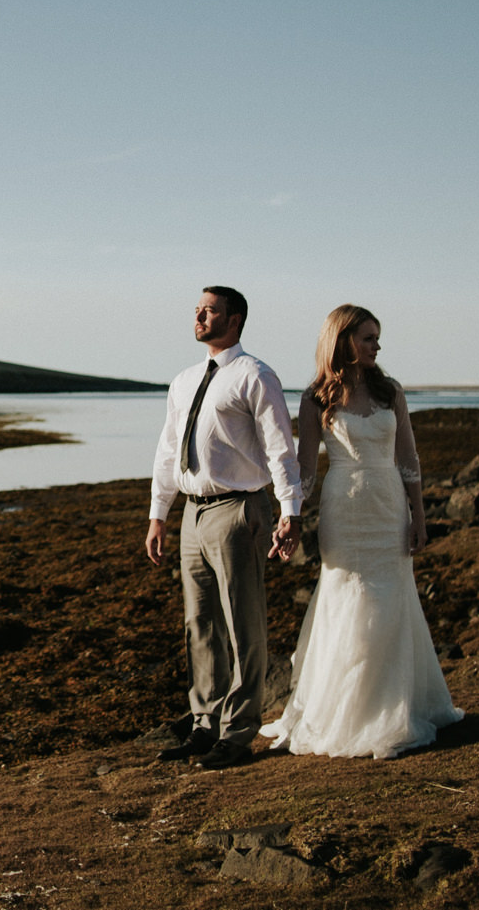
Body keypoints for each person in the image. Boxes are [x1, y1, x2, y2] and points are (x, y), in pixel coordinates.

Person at [259, 304, 463, 759]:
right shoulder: (316, 398)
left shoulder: (390, 392)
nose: (376, 346)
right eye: (368, 338)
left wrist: (419, 516)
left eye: (377, 338)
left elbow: (408, 459)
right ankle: (345, 711)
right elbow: (306, 469)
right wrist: (288, 517)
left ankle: (394, 706)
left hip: (388, 506)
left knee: (393, 596)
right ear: (344, 340)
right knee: (348, 596)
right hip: (344, 510)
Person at [145, 286, 304, 770]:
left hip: (239, 511)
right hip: (192, 513)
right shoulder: (183, 380)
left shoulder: (255, 375)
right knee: (200, 625)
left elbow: (280, 448)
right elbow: (169, 450)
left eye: (209, 310)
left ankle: (237, 734)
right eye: (197, 310)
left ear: (233, 320)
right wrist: (158, 514)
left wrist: (289, 510)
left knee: (243, 624)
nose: (198, 316)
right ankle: (204, 725)